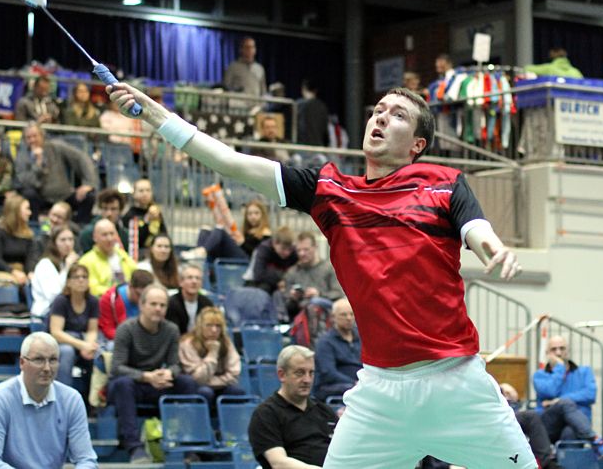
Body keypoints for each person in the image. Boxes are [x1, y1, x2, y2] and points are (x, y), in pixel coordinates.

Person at [105, 79, 533, 468]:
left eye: (397, 115)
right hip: (380, 392)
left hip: (455, 383)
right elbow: (230, 162)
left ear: (417, 144)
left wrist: (490, 244)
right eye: (378, 110)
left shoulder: (444, 184)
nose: (381, 117)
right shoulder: (331, 192)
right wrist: (155, 115)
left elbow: (475, 228)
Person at [0, 332, 97, 469]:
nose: (47, 368)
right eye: (39, 360)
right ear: (22, 362)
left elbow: (87, 460)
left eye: (52, 360)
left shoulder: (71, 400)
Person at [107, 283, 197, 463]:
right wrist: (146, 377)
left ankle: (189, 445)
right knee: (122, 384)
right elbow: (117, 367)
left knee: (188, 383)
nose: (158, 309)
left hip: (158, 382)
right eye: (153, 304)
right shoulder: (126, 329)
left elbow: (176, 364)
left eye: (162, 305)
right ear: (141, 305)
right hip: (133, 384)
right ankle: (134, 448)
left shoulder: (171, 329)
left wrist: (168, 374)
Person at [248, 345, 337, 469]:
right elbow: (278, 463)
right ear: (281, 375)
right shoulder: (266, 414)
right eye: (299, 373)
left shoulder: (324, 411)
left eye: (311, 373)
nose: (307, 380)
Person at [533, 335, 603, 457]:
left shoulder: (584, 371)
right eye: (554, 349)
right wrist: (559, 368)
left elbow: (590, 394)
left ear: (568, 351)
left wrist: (558, 400)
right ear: (547, 353)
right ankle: (597, 441)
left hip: (576, 425)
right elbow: (550, 391)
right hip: (549, 425)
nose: (558, 352)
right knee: (565, 404)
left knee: (570, 431)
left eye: (562, 348)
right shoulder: (539, 375)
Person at [14, 122, 97, 223]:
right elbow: (28, 182)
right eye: (28, 137)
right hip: (40, 199)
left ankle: (78, 227)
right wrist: (38, 165)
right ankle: (34, 226)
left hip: (64, 195)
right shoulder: (21, 157)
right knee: (29, 194)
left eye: (35, 136)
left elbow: (81, 158)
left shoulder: (56, 146)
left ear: (42, 136)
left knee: (89, 196)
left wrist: (88, 183)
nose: (32, 140)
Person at [178, 306, 243, 406]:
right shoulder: (188, 343)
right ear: (200, 326)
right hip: (195, 388)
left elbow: (234, 375)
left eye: (218, 326)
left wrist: (213, 382)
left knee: (237, 392)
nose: (214, 330)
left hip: (219, 385)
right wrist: (212, 353)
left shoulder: (226, 343)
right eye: (209, 325)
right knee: (205, 392)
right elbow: (197, 378)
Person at [49, 264, 99, 388]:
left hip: (83, 340)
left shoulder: (93, 301)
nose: (81, 280)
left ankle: (94, 401)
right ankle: (63, 397)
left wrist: (89, 346)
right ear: (69, 282)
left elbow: (92, 330)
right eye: (76, 277)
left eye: (84, 277)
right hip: (63, 342)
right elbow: (56, 332)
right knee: (67, 352)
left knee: (100, 354)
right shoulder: (61, 301)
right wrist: (82, 345)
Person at [184, 197, 273, 264]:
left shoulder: (266, 233)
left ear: (262, 215)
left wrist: (243, 243)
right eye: (250, 214)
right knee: (205, 230)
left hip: (247, 260)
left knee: (220, 229)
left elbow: (258, 254)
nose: (253, 217)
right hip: (236, 254)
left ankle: (202, 252)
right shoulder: (246, 230)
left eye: (256, 213)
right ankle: (199, 256)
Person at [499, 382, 564, 469]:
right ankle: (547, 463)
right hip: (501, 417)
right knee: (531, 416)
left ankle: (547, 461)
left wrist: (511, 395)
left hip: (513, 416)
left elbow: (515, 397)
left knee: (569, 431)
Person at [283, 232, 342, 322]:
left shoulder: (329, 268)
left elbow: (338, 293)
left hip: (325, 314)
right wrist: (293, 298)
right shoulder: (292, 272)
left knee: (315, 302)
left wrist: (319, 294)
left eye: (306, 249)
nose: (302, 253)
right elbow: (286, 304)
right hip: (299, 315)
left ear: (315, 247)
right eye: (299, 250)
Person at [0, 195, 37, 286]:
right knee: (9, 283)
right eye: (27, 209)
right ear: (16, 211)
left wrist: (30, 272)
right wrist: (12, 271)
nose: (30, 212)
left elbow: (30, 259)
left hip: (21, 272)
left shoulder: (28, 235)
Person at [313, 298, 360, 400]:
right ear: (333, 317)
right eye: (343, 315)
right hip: (333, 387)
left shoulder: (361, 339)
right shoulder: (325, 342)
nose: (349, 318)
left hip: (360, 385)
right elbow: (328, 373)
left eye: (352, 314)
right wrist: (354, 383)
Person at [78, 218, 137, 297]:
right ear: (95, 237)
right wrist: (118, 293)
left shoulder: (122, 255)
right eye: (104, 235)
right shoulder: (85, 261)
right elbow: (92, 289)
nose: (109, 238)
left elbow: (136, 275)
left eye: (112, 234)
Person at [30, 225, 79, 319]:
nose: (68, 244)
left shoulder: (66, 263)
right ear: (54, 243)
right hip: (45, 314)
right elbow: (54, 295)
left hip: (66, 312)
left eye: (70, 239)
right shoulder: (44, 265)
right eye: (63, 240)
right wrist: (67, 268)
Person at [98, 269, 154, 349]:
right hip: (115, 340)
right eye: (139, 294)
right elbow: (108, 329)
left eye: (146, 295)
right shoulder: (109, 299)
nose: (142, 299)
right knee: (113, 347)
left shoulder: (153, 300)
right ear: (130, 286)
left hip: (142, 339)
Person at [120, 178, 167, 258]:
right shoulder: (130, 216)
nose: (145, 194)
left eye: (148, 190)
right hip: (139, 254)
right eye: (141, 191)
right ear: (134, 194)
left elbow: (164, 234)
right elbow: (133, 244)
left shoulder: (155, 211)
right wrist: (146, 221)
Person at [165, 263, 214, 334]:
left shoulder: (207, 304)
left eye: (198, 278)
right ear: (181, 282)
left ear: (202, 283)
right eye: (190, 277)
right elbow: (172, 333)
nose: (194, 281)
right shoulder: (171, 303)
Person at [247, 226, 297, 294]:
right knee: (264, 287)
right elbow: (258, 275)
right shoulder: (264, 249)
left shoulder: (294, 252)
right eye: (283, 248)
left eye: (290, 249)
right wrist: (280, 280)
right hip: (257, 283)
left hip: (283, 286)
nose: (287, 253)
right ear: (275, 243)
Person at [78, 188, 129, 253]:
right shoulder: (88, 233)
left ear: (120, 210)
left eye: (113, 209)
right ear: (100, 209)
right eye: (105, 208)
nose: (109, 213)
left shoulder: (125, 234)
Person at [296, 79, 330, 147]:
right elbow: (325, 130)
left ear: (303, 89)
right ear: (315, 90)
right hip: (318, 147)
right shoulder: (322, 107)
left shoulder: (298, 105)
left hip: (302, 147)